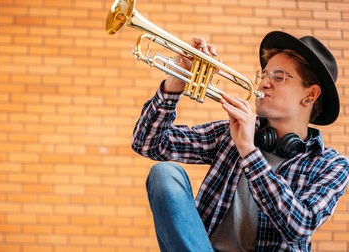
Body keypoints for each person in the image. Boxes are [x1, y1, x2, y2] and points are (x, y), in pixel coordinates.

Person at [131, 31, 349, 251]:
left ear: (310, 95)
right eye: (263, 75)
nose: (263, 83)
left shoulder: (331, 165)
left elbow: (299, 225)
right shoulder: (231, 132)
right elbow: (147, 143)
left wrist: (248, 150)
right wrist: (174, 83)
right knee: (165, 174)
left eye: (279, 76)